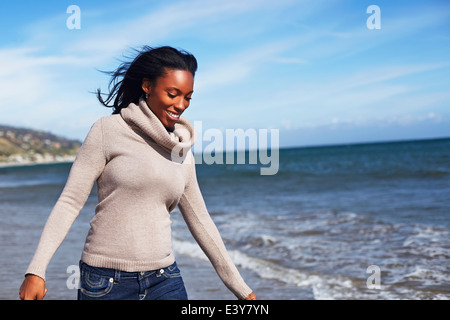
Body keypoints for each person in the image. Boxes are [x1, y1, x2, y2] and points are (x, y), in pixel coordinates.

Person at [19, 46, 256, 300]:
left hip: (165, 281)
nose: (180, 105)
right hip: (106, 282)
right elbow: (70, 202)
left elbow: (201, 222)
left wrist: (244, 292)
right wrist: (36, 270)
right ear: (147, 86)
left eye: (187, 97)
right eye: (173, 94)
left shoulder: (181, 150)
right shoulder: (108, 130)